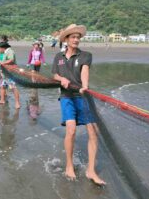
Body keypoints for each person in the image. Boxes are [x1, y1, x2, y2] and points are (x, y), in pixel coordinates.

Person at [52, 24, 106, 185]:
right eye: (73, 37)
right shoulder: (59, 57)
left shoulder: (85, 55)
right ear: (66, 40)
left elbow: (84, 71)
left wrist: (85, 86)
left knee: (93, 132)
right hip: (67, 97)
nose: (76, 39)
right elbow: (54, 74)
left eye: (78, 37)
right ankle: (69, 165)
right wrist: (61, 79)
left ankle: (91, 170)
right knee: (71, 130)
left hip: (83, 96)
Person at [0, 41, 21, 109]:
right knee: (2, 86)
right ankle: (2, 100)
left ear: (2, 48)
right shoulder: (5, 52)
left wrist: (2, 63)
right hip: (4, 73)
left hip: (9, 73)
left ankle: (17, 103)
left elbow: (11, 60)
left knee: (13, 87)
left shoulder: (10, 51)